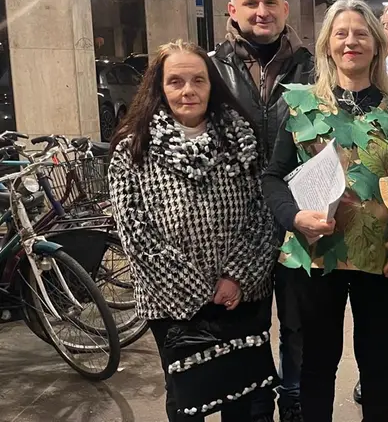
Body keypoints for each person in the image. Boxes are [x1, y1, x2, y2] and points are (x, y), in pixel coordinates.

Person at [262, 0, 388, 422]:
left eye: (361, 33)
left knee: (377, 363)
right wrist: (293, 217)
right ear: (328, 44)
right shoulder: (299, 104)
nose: (351, 41)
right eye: (342, 33)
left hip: (379, 256)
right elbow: (273, 177)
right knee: (316, 364)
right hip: (314, 255)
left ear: (378, 44)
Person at [108, 40, 277, 422]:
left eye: (198, 80)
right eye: (176, 82)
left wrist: (237, 276)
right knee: (187, 398)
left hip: (240, 294)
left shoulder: (242, 138)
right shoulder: (133, 148)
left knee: (243, 396)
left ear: (212, 85)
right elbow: (135, 233)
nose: (188, 91)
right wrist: (197, 292)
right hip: (171, 302)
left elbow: (262, 213)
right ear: (159, 88)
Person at [209, 0, 314, 422]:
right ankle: (250, 406)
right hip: (236, 228)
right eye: (251, 3)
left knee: (299, 327)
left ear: (285, 9)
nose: (261, 11)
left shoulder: (313, 66)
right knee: (245, 327)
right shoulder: (210, 69)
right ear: (233, 11)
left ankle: (293, 401)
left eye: (270, 2)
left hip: (298, 221)